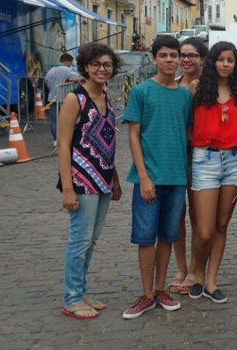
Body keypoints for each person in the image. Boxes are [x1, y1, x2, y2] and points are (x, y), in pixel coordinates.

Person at [122, 35, 192, 319]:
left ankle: (161, 288)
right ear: (154, 59)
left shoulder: (185, 96)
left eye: (173, 55)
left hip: (176, 177)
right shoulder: (141, 92)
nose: (169, 60)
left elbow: (187, 133)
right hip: (148, 177)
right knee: (145, 238)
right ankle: (147, 293)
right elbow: (133, 135)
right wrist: (143, 176)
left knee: (167, 236)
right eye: (163, 55)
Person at [58, 43, 122, 319]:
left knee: (91, 240)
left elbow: (107, 142)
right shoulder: (76, 99)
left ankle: (80, 293)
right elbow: (63, 145)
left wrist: (114, 177)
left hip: (103, 178)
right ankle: (72, 298)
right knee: (80, 240)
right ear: (85, 66)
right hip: (81, 180)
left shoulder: (106, 97)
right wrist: (67, 189)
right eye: (95, 64)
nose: (101, 69)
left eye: (106, 64)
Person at [186, 42, 237, 305]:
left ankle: (211, 280)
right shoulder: (197, 88)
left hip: (234, 161)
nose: (225, 64)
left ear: (235, 64)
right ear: (212, 62)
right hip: (205, 160)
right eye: (221, 59)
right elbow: (187, 124)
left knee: (222, 225)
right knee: (204, 231)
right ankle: (197, 273)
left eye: (230, 60)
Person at [169, 38, 207, 296]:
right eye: (182, 55)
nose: (186, 60)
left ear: (202, 59)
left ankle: (195, 268)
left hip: (199, 154)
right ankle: (181, 267)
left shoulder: (209, 86)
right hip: (175, 154)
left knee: (198, 215)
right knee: (176, 215)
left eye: (192, 55)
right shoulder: (172, 85)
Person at [44, 52, 82, 147]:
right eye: (71, 63)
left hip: (52, 98)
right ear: (67, 61)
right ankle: (67, 138)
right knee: (68, 119)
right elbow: (79, 78)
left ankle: (56, 139)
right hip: (64, 98)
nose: (71, 65)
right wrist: (74, 80)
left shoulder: (51, 70)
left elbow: (46, 82)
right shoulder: (66, 70)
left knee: (54, 119)